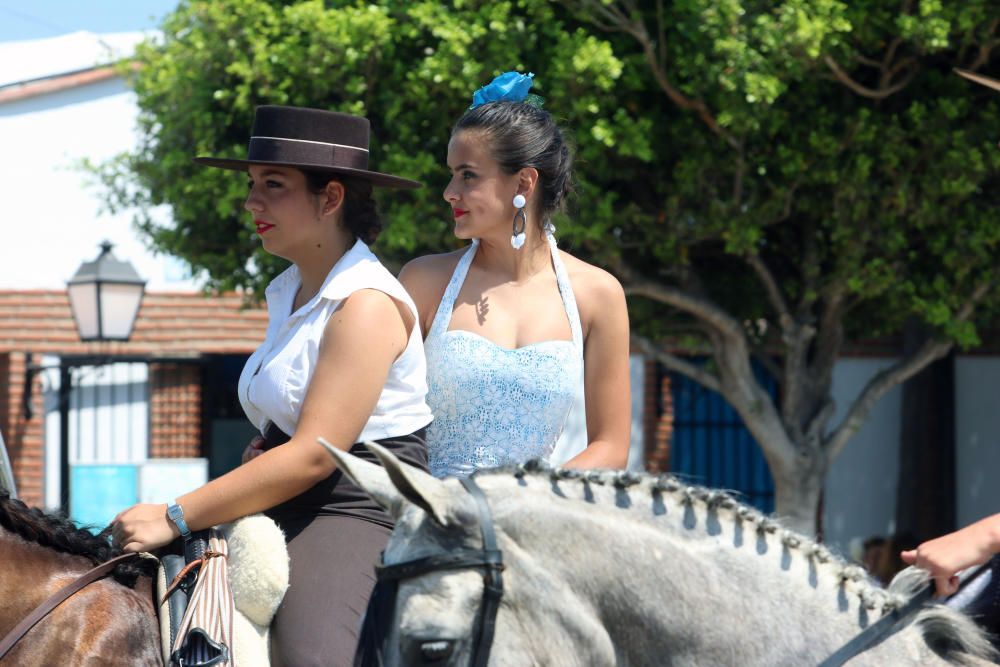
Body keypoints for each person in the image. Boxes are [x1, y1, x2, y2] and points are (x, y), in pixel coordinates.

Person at [111, 105, 433, 666]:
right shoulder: (290, 291)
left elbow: (314, 456)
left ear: (330, 198)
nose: (251, 202)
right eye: (252, 184)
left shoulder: (365, 304)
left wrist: (174, 514)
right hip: (286, 495)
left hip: (354, 509)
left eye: (273, 185)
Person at [399, 71, 632, 478]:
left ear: (524, 181)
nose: (449, 192)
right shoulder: (423, 281)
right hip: (430, 520)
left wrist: (527, 496)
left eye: (467, 175)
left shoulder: (598, 294)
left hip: (533, 521)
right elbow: (371, 412)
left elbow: (611, 448)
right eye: (452, 174)